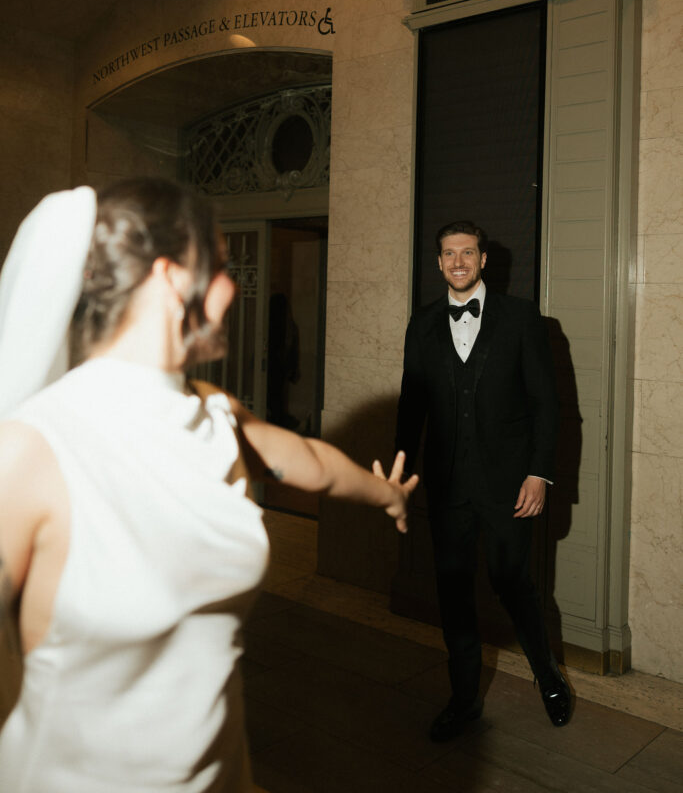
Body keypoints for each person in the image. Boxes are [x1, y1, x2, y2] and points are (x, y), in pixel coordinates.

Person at [0, 178, 418, 793]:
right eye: (221, 267)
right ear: (172, 279)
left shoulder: (213, 410)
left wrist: (388, 494)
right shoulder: (32, 449)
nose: (232, 287)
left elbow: (310, 461)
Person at [395, 220, 570, 742]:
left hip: (510, 487)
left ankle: (548, 676)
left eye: (467, 253)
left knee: (513, 582)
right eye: (448, 254)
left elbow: (547, 405)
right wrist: (399, 476)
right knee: (453, 594)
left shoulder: (521, 319)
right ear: (438, 262)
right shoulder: (421, 323)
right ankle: (464, 699)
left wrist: (538, 473)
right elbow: (411, 407)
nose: (457, 262)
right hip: (447, 489)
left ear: (484, 259)